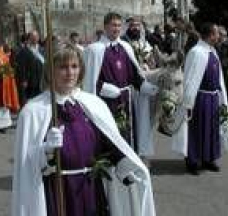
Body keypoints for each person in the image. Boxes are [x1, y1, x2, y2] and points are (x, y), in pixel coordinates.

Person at [11, 43, 156, 216]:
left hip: (91, 189)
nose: (70, 73)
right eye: (63, 67)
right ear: (50, 71)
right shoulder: (34, 111)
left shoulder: (92, 104)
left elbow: (109, 143)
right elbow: (26, 166)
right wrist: (45, 150)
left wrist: (126, 165)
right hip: (58, 191)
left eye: (74, 66)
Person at [83, 12, 159, 156]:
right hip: (105, 104)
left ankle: (127, 168)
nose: (116, 29)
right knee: (109, 137)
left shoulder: (125, 47)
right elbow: (89, 80)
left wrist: (145, 86)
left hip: (126, 102)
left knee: (128, 135)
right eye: (113, 25)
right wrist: (103, 88)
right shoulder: (95, 50)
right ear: (105, 27)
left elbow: (134, 75)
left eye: (119, 25)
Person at [171, 22, 228, 175]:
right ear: (210, 35)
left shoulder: (212, 51)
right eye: (217, 33)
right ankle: (193, 161)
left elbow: (219, 77)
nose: (219, 36)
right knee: (197, 130)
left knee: (211, 129)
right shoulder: (196, 52)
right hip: (200, 98)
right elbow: (190, 78)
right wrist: (189, 101)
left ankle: (208, 158)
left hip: (213, 97)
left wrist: (222, 97)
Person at [13, 30, 45, 107]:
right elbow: (21, 66)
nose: (35, 38)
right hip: (30, 79)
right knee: (31, 99)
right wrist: (23, 79)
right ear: (29, 38)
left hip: (41, 78)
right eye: (33, 37)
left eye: (36, 36)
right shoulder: (24, 50)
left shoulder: (42, 49)